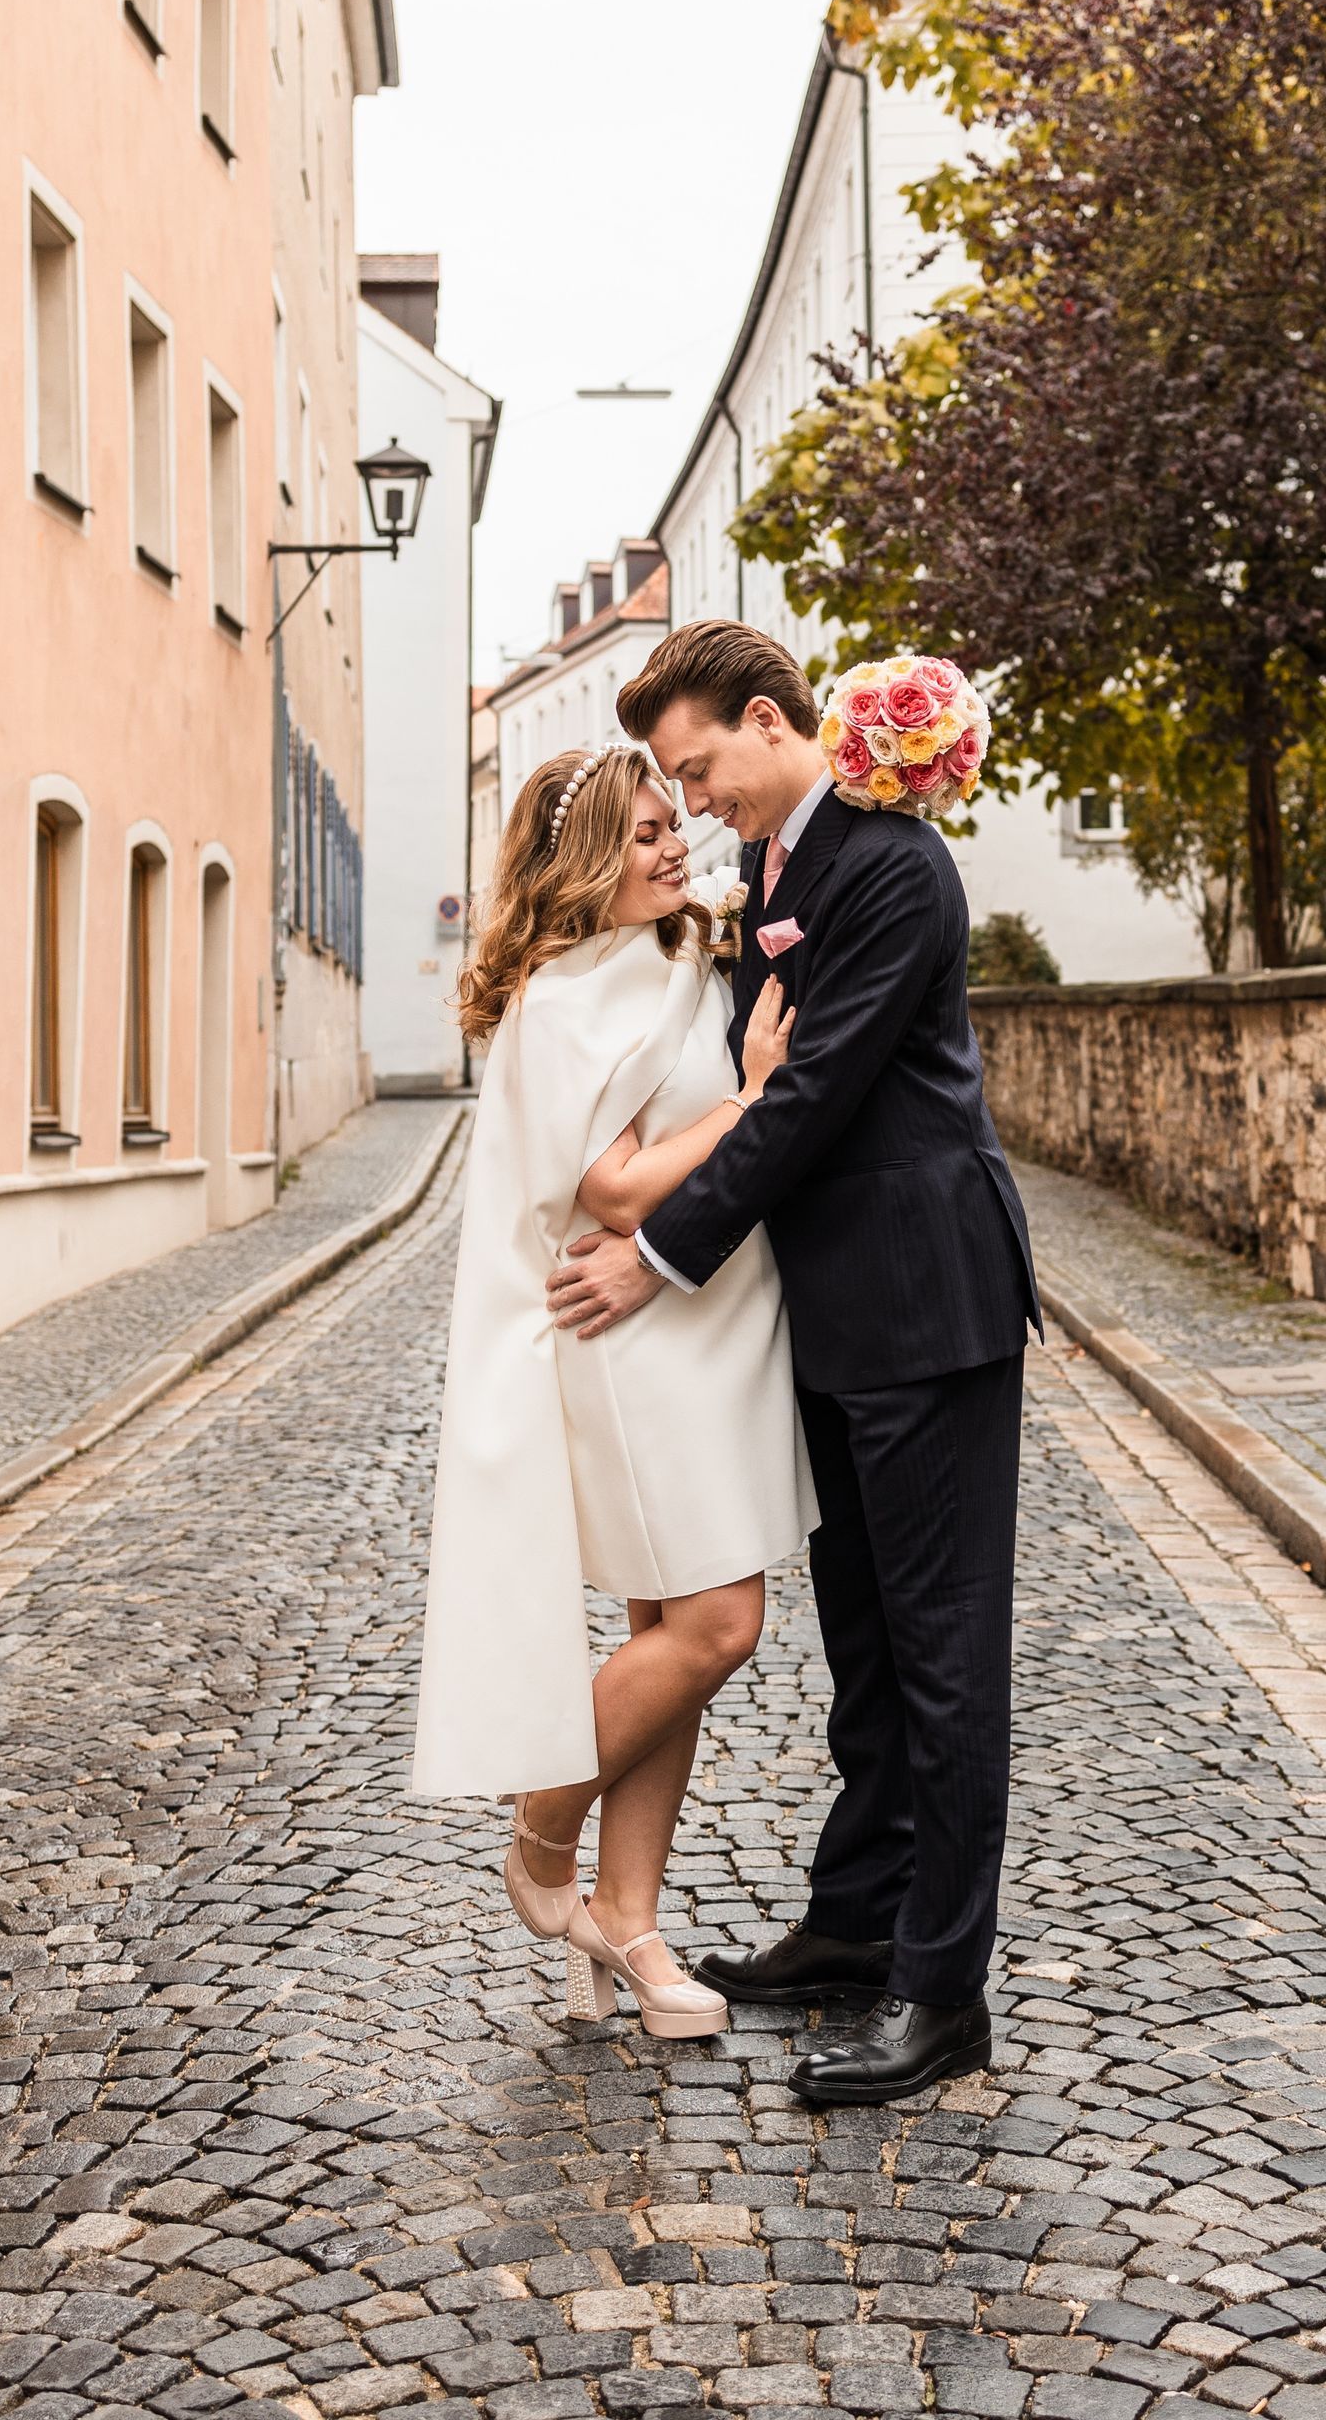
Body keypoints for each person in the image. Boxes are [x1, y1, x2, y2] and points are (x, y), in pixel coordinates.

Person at [546, 621, 1041, 2106]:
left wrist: (657, 1252)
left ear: (769, 723)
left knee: (946, 1662)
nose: (697, 807)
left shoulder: (895, 868)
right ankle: (854, 1921)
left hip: (926, 1303)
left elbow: (811, 1093)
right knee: (870, 1651)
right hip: (828, 1322)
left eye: (703, 770)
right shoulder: (774, 868)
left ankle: (942, 1990)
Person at [412, 741, 815, 2041]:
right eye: (644, 832)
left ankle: (629, 1927)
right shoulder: (558, 999)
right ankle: (541, 1841)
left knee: (672, 1645)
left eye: (668, 825)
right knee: (716, 1625)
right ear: (586, 855)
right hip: (635, 1340)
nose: (670, 845)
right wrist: (755, 1093)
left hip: (720, 1324)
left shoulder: (687, 955)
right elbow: (622, 1187)